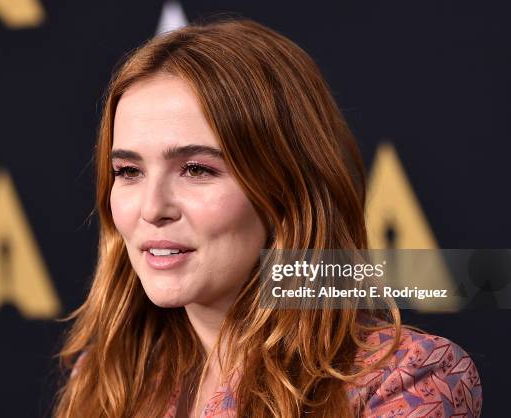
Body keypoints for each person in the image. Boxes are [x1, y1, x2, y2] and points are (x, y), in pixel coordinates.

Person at [54, 18, 482, 418]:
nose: (151, 208)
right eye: (129, 172)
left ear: (285, 187)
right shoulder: (103, 379)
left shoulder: (407, 376)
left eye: (197, 169)